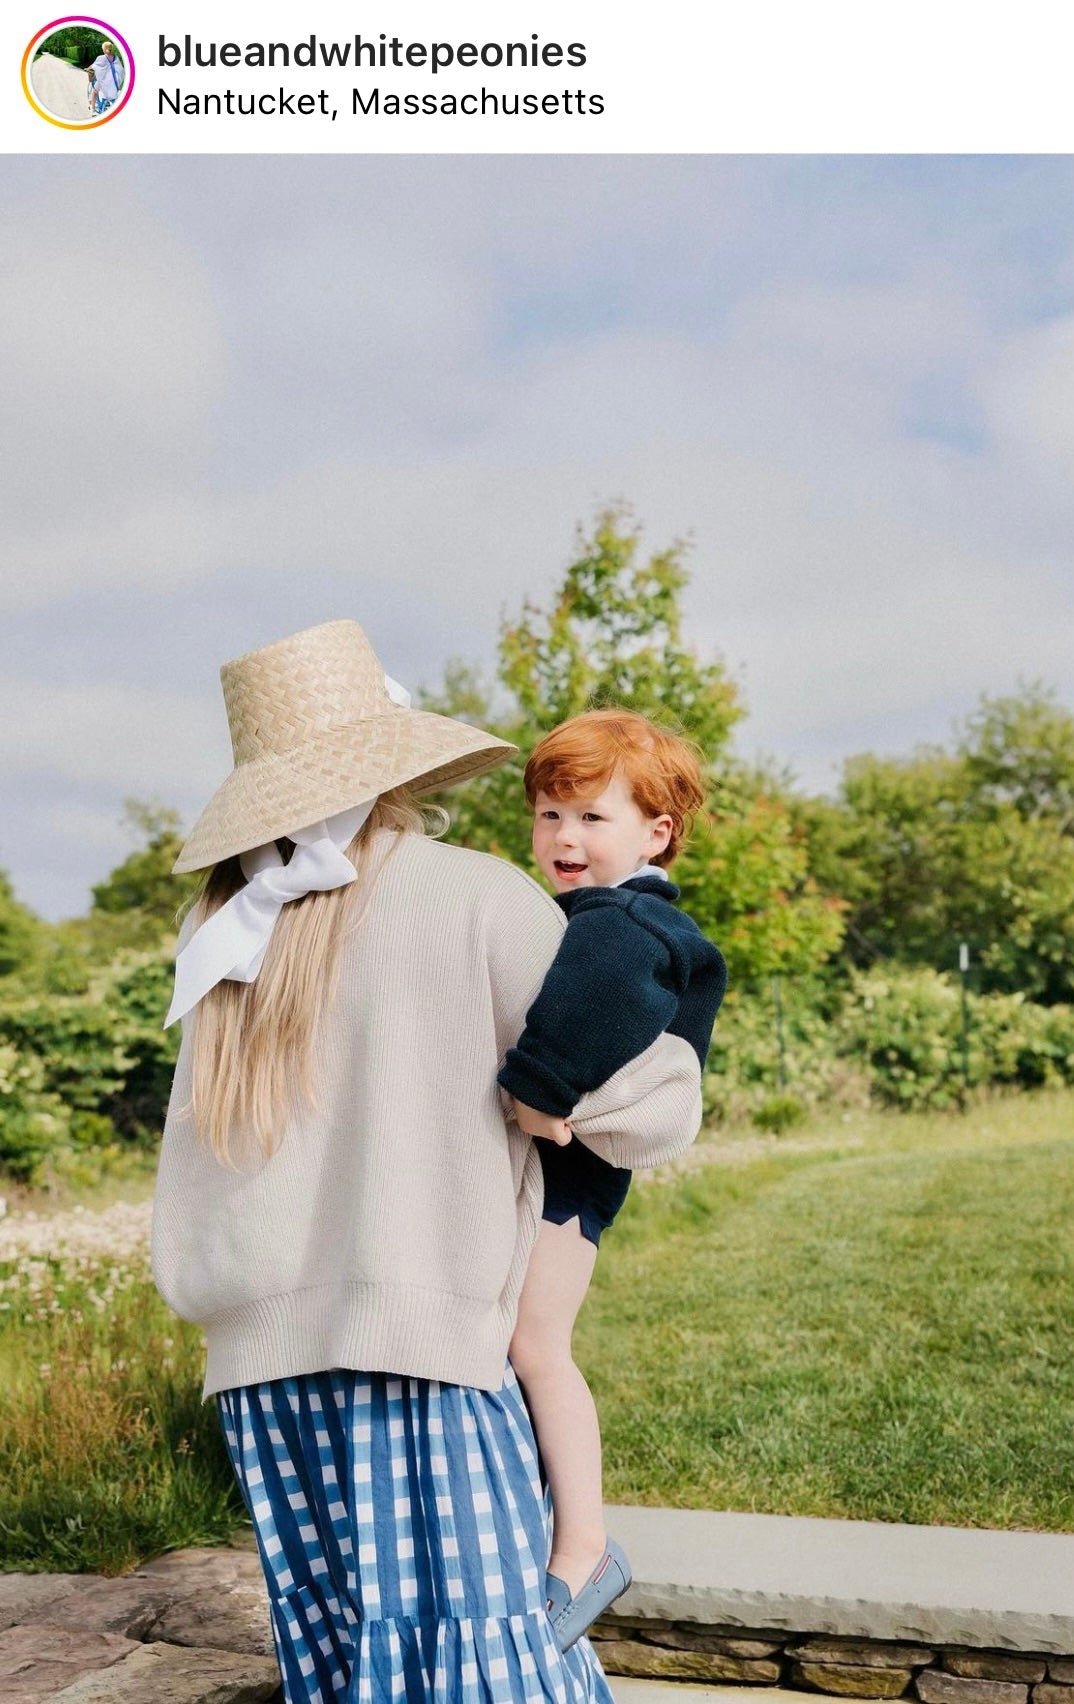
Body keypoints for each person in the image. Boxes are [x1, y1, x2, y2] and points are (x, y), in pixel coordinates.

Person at [151, 620, 705, 1703]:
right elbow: (645, 1110)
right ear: (395, 757)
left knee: (347, 1664)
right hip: (424, 1357)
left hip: (261, 1380)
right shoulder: (477, 897)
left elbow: (196, 1158)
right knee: (486, 1668)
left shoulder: (221, 928)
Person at [497, 711, 727, 1650]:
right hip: (568, 1177)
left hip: (564, 1179)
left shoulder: (624, 921)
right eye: (550, 816)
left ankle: (583, 1549)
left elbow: (579, 1029)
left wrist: (530, 1093)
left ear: (656, 832)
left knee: (536, 1345)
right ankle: (551, 1525)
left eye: (592, 817)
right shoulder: (604, 915)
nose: (563, 839)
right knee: (524, 1345)